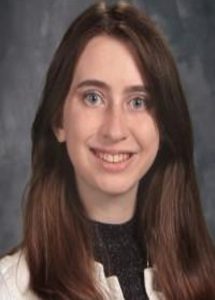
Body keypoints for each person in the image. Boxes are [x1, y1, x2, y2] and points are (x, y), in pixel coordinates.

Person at [0, 1, 215, 299]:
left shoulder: (206, 278)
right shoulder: (9, 289)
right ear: (58, 119)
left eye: (138, 101)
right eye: (93, 98)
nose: (114, 130)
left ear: (163, 126)